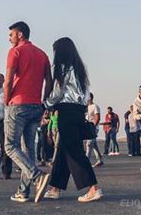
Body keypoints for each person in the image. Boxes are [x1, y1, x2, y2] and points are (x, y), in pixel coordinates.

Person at [42, 37, 103, 203]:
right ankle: (55, 188)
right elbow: (84, 94)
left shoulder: (63, 68)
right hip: (79, 111)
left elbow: (57, 93)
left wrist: (45, 105)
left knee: (74, 151)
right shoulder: (80, 68)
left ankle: (93, 188)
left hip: (67, 112)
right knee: (63, 150)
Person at [3, 21, 52, 203]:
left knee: (10, 146)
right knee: (28, 149)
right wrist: (44, 102)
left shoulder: (15, 52)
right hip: (35, 105)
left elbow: (8, 81)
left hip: (18, 105)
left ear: (20, 34)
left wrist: (7, 102)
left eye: (11, 35)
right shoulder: (42, 54)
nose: (9, 38)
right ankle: (23, 192)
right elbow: (49, 79)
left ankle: (37, 176)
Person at [84, 93, 104, 167]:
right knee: (94, 144)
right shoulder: (85, 107)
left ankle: (86, 162)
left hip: (93, 127)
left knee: (89, 144)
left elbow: (97, 117)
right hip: (87, 127)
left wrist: (94, 127)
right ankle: (100, 160)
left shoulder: (95, 106)